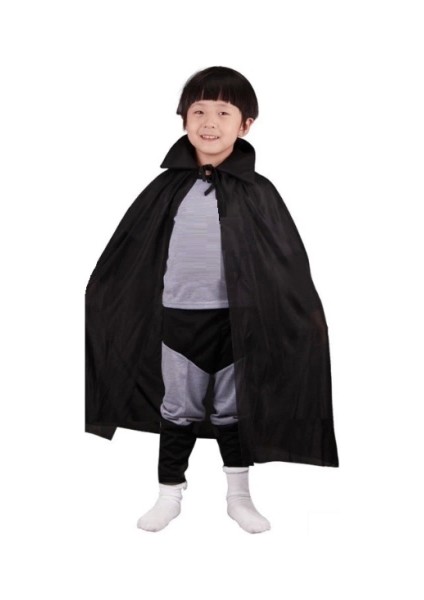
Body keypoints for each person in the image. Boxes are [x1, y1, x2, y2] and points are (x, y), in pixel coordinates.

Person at [85, 66, 339, 535]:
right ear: (183, 119)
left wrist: (304, 314)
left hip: (237, 323)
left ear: (245, 125)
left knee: (232, 410)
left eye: (224, 112)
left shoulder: (258, 193)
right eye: (199, 111)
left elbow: (284, 262)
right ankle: (168, 494)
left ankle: (239, 497)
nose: (209, 122)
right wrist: (104, 296)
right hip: (178, 322)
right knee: (176, 408)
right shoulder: (165, 190)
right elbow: (130, 252)